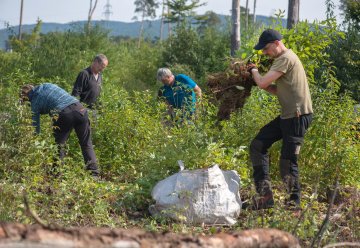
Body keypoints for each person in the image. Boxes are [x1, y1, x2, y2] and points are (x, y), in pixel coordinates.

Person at [246, 29, 313, 210]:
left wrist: (253, 70)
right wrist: (260, 82)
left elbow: (261, 82)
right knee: (258, 146)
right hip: (287, 116)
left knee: (288, 161)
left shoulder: (285, 58)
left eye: (266, 49)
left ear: (277, 43)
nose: (265, 53)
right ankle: (265, 197)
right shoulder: (282, 60)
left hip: (297, 117)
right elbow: (276, 89)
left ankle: (294, 204)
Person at [20, 83, 100, 177]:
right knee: (86, 143)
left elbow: (35, 129)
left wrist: (33, 143)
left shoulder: (34, 103)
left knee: (59, 145)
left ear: (26, 98)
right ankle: (94, 174)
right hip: (80, 109)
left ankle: (56, 173)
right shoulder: (47, 85)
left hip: (63, 113)